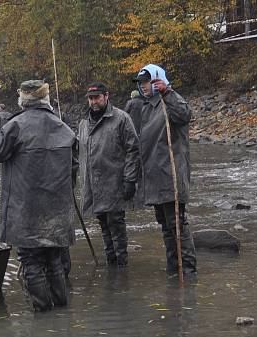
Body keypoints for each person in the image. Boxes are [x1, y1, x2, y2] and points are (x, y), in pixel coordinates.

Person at [0, 80, 77, 312]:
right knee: (54, 260)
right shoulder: (64, 128)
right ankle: (60, 312)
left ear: (23, 99)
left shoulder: (16, 126)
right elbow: (74, 168)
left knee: (32, 261)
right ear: (45, 99)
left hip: (27, 210)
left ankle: (43, 313)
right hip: (58, 210)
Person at [130, 64, 197, 277]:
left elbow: (185, 114)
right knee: (166, 227)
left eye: (146, 82)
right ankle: (172, 268)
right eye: (140, 83)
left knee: (177, 225)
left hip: (172, 176)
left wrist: (167, 92)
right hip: (154, 178)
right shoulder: (146, 107)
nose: (143, 87)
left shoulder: (169, 102)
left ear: (157, 81)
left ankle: (187, 270)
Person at [76, 82, 140, 267]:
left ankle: (121, 265)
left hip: (115, 181)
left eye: (97, 97)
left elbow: (133, 149)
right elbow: (79, 150)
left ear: (106, 96)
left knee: (116, 225)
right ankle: (111, 263)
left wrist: (130, 179)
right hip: (93, 184)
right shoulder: (84, 123)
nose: (93, 101)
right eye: (90, 98)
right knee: (103, 225)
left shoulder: (121, 118)